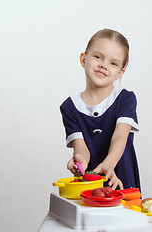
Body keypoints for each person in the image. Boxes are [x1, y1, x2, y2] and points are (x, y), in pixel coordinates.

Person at [60, 29, 140, 190]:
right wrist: (80, 160)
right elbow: (81, 147)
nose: (103, 65)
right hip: (91, 185)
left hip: (121, 179)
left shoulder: (125, 99)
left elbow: (120, 136)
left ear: (120, 72)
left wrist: (108, 165)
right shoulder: (69, 107)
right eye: (98, 57)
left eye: (113, 63)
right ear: (84, 59)